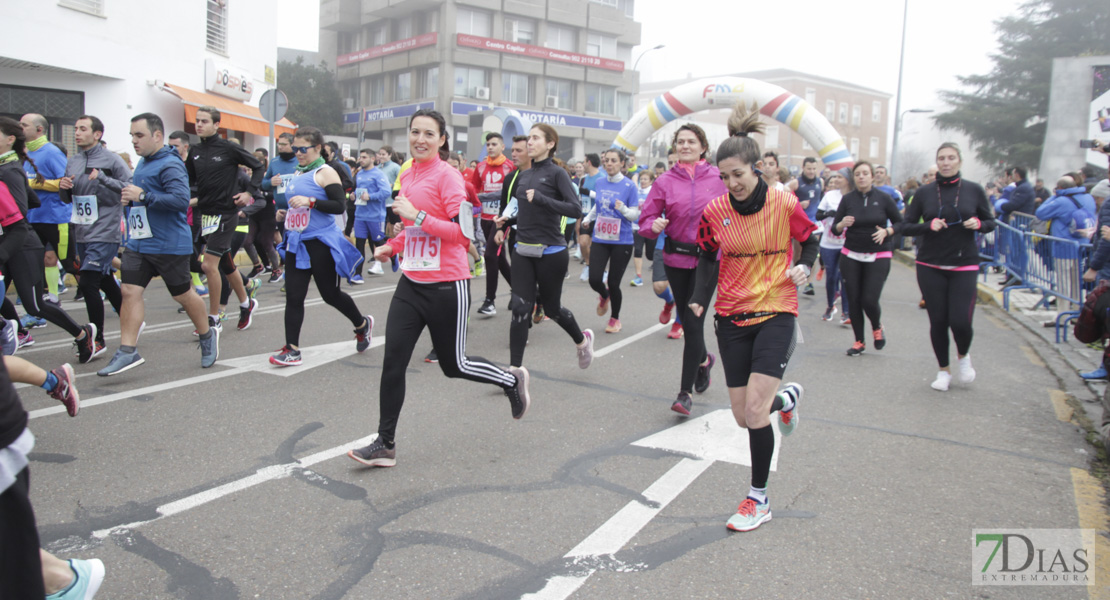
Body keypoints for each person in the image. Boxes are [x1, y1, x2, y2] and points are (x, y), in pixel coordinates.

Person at [347, 110, 529, 468]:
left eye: (429, 134)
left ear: (442, 140)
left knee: (453, 364)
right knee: (392, 362)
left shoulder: (449, 178)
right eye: (415, 132)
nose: (420, 139)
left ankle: (509, 379)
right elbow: (416, 231)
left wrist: (416, 216)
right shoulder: (408, 174)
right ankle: (385, 443)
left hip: (448, 284)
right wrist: (393, 247)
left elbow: (461, 236)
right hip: (411, 282)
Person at [688, 101, 816, 532]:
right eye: (723, 177)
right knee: (745, 416)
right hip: (731, 317)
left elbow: (810, 238)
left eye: (737, 175)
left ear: (756, 168)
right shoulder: (715, 212)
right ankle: (788, 400)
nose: (731, 184)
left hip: (777, 309)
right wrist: (698, 298)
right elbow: (706, 257)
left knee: (755, 413)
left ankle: (757, 499)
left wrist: (805, 265)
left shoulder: (783, 204)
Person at [97, 113, 218, 376]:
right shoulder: (143, 162)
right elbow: (145, 197)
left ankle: (207, 335)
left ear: (157, 136)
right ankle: (128, 351)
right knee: (129, 291)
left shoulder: (170, 164)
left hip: (168, 244)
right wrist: (133, 200)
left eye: (139, 135)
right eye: (131, 135)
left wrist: (143, 195)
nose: (134, 141)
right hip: (139, 242)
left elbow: (179, 200)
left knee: (183, 295)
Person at [638, 123, 728, 415]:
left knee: (692, 323)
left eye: (691, 141)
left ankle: (684, 393)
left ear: (703, 147)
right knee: (689, 322)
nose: (685, 146)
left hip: (708, 260)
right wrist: (653, 225)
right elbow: (647, 218)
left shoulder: (719, 178)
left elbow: (739, 205)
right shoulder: (664, 181)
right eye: (680, 142)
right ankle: (704, 361)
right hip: (676, 257)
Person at [269, 127, 373, 367]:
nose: (298, 153)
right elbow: (300, 209)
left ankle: (362, 324)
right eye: (295, 148)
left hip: (321, 243)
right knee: (294, 296)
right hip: (298, 242)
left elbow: (339, 206)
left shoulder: (325, 172)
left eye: (302, 149)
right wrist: (286, 214)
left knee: (330, 295)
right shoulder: (297, 171)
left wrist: (311, 201)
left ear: (318, 148)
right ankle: (292, 349)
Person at [900, 142, 994, 391]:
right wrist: (927, 225)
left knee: (960, 321)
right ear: (937, 162)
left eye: (951, 157)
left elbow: (990, 221)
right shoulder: (924, 193)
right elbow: (905, 225)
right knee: (938, 321)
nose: (946, 162)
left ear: (959, 161)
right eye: (941, 158)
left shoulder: (973, 190)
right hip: (930, 263)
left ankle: (963, 356)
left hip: (964, 263)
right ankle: (944, 370)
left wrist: (979, 224)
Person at [507, 124, 594, 370]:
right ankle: (514, 372)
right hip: (523, 249)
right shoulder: (523, 175)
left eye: (535, 138)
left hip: (551, 252)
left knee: (553, 309)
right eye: (529, 138)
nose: (530, 142)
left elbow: (575, 209)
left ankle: (581, 341)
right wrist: (507, 222)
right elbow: (525, 212)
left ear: (550, 144)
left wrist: (544, 199)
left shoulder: (557, 174)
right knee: (520, 308)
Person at [185, 106, 262, 333]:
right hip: (205, 215)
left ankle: (214, 316)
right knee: (226, 263)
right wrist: (188, 199)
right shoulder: (195, 151)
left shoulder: (229, 148)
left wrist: (249, 193)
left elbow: (258, 167)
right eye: (197, 121)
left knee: (210, 265)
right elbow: (189, 180)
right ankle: (247, 303)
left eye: (204, 121)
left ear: (217, 125)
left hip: (227, 213)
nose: (199, 125)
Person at [58, 115, 129, 361]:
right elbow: (68, 198)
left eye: (83, 129)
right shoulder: (74, 161)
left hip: (106, 229)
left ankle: (96, 340)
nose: (77, 132)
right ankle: (132, 321)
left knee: (87, 282)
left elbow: (128, 188)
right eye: (76, 128)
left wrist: (102, 178)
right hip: (83, 230)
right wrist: (64, 187)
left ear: (97, 134)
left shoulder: (112, 160)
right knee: (105, 279)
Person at [832, 161, 903, 356]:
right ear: (854, 178)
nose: (861, 177)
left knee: (869, 299)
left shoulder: (884, 198)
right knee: (854, 299)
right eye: (857, 174)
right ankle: (859, 341)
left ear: (872, 176)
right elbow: (834, 228)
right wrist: (841, 224)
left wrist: (888, 231)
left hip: (878, 253)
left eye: (865, 173)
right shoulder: (847, 200)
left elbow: (900, 223)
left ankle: (877, 326)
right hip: (851, 253)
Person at [19, 114, 78, 302]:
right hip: (33, 217)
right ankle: (51, 298)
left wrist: (31, 183)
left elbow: (66, 182)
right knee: (40, 261)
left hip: (55, 217)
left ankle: (105, 288)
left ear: (39, 130)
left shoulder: (51, 152)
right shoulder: (25, 153)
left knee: (69, 264)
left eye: (24, 125)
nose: (20, 128)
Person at [581, 149, 640, 334]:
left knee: (614, 283)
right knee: (594, 279)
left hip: (622, 241)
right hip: (600, 237)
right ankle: (604, 295)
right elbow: (599, 206)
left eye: (614, 161)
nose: (609, 164)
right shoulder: (599, 182)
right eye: (606, 161)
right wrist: (588, 218)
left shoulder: (629, 186)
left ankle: (615, 319)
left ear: (622, 164)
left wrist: (622, 208)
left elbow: (634, 215)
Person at [471, 133, 516, 315]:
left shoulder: (510, 167)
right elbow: (473, 189)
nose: (490, 147)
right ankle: (519, 290)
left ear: (502, 146)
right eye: (488, 144)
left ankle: (490, 301)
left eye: (494, 144)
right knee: (499, 258)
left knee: (490, 255)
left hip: (502, 220)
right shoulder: (481, 167)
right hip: (485, 218)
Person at [259, 132, 297, 283]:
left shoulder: (299, 161)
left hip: (298, 210)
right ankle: (289, 275)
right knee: (285, 244)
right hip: (280, 210)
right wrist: (271, 182)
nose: (280, 147)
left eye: (284, 144)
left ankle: (295, 275)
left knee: (295, 243)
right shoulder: (274, 162)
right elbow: (263, 183)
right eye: (279, 144)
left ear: (292, 145)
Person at [814, 168, 851, 323]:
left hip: (847, 243)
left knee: (845, 278)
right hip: (829, 243)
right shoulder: (830, 196)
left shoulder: (853, 197)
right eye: (834, 177)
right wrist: (829, 214)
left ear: (848, 179)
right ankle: (830, 306)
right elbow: (818, 215)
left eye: (839, 177)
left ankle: (846, 312)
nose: (835, 180)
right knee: (831, 277)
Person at [351, 148, 392, 281]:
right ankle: (357, 274)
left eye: (364, 157)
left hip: (375, 215)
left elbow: (386, 192)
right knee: (359, 244)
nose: (361, 160)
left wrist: (371, 196)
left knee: (378, 242)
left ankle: (393, 254)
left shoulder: (378, 174)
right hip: (360, 215)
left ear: (372, 159)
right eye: (360, 157)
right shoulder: (359, 174)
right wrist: (353, 196)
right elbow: (359, 192)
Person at [629, 169, 655, 287]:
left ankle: (662, 268)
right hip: (637, 226)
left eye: (645, 179)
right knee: (638, 250)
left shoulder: (654, 192)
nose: (643, 181)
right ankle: (638, 276)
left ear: (651, 181)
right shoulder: (637, 191)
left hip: (649, 227)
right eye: (642, 179)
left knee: (650, 255)